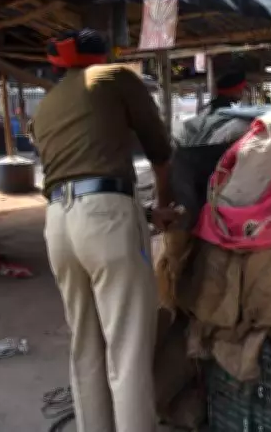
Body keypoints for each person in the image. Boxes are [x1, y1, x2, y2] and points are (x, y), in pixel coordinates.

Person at [29, 29, 177, 432]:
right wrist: (162, 206)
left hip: (59, 221)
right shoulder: (115, 77)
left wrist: (141, 213)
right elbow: (160, 152)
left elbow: (80, 168)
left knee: (85, 342)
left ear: (58, 64)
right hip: (105, 216)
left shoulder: (46, 105)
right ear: (103, 55)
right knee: (127, 344)